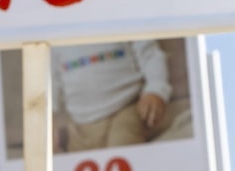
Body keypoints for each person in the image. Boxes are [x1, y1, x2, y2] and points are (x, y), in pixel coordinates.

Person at [51, 39, 180, 152]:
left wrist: (156, 88)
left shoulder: (119, 16)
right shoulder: (57, 33)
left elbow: (150, 53)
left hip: (124, 108)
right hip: (80, 124)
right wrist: (49, 116)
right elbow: (49, 78)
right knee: (66, 163)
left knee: (122, 150)